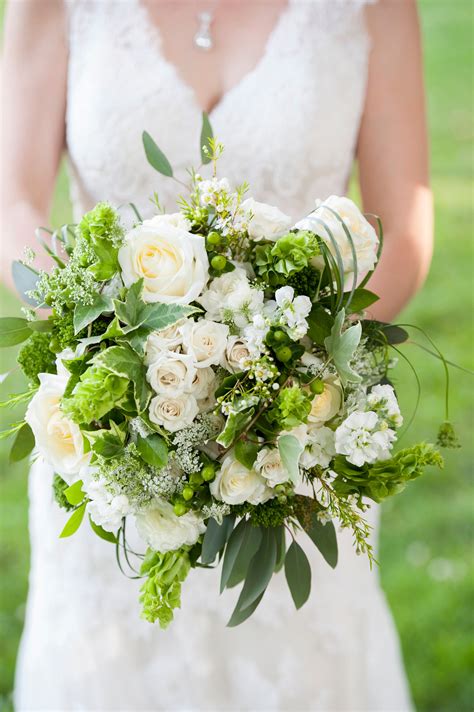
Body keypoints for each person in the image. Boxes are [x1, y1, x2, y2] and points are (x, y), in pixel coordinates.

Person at [1, 1, 433, 709]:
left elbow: (403, 234)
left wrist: (287, 373)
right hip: (114, 439)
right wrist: (108, 342)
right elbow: (11, 200)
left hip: (293, 442)